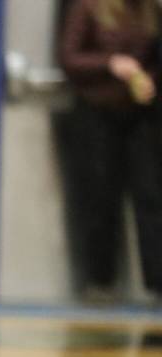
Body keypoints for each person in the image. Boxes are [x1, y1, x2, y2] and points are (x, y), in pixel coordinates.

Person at [59, 0, 162, 302]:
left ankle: (157, 282)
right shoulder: (89, 7)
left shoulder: (149, 10)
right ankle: (100, 280)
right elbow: (70, 57)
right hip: (97, 112)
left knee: (151, 197)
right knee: (100, 198)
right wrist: (109, 64)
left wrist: (149, 81)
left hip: (141, 114)